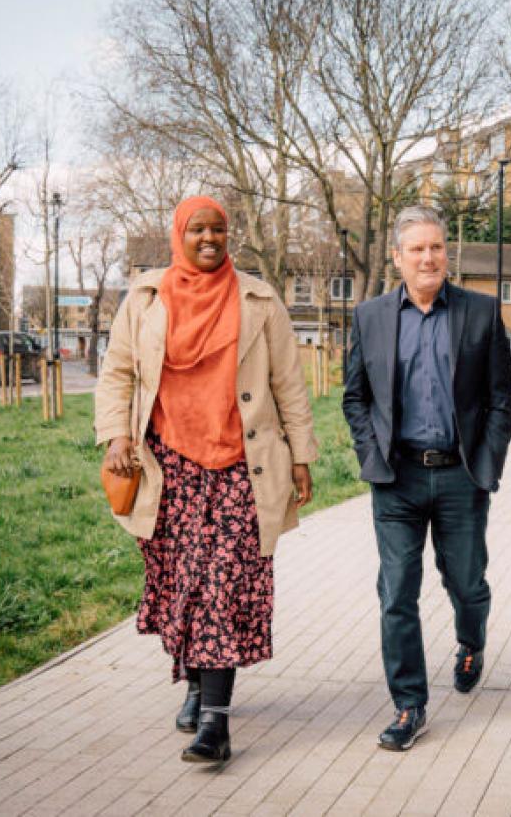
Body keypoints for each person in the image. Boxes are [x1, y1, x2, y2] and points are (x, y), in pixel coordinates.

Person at [95, 195, 318, 764]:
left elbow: (289, 383)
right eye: (198, 229)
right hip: (168, 469)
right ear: (179, 234)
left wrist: (301, 455)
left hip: (243, 465)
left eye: (219, 228)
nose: (210, 238)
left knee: (223, 585)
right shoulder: (146, 297)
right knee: (184, 585)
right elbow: (118, 370)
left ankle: (215, 724)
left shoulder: (259, 299)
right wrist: (117, 436)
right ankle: (196, 682)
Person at [342, 205, 511, 752]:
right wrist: (372, 454)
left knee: (466, 582)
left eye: (436, 247)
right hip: (397, 480)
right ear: (398, 257)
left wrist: (486, 464)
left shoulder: (481, 313)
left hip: (461, 477)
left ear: (447, 253)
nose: (428, 257)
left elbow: (501, 399)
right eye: (416, 248)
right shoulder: (370, 317)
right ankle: (409, 703)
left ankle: (471, 641)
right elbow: (355, 397)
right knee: (396, 593)